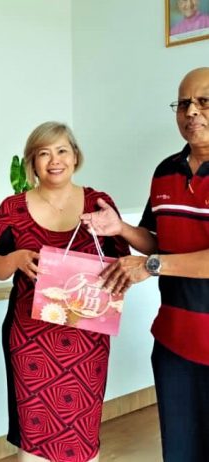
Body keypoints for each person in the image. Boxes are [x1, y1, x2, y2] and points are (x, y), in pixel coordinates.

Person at [80, 67, 209, 462]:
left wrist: (150, 266)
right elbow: (158, 241)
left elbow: (158, 259)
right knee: (181, 451)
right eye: (183, 104)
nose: (191, 112)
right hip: (173, 342)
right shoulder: (165, 171)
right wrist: (121, 228)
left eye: (204, 102)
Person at [0, 122, 130, 462]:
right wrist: (16, 259)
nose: (54, 160)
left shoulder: (98, 203)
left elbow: (122, 261)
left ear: (75, 156)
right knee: (34, 435)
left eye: (62, 150)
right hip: (30, 339)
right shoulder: (12, 208)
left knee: (82, 433)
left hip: (87, 339)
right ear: (32, 162)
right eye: (43, 153)